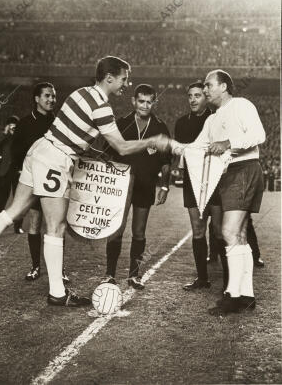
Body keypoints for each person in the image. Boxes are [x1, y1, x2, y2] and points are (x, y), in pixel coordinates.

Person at [0, 56, 170, 308]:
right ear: (110, 78)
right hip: (56, 160)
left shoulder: (80, 93)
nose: (127, 83)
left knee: (12, 211)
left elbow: (73, 134)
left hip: (41, 150)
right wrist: (151, 141)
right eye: (124, 79)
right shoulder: (102, 107)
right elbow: (123, 147)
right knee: (56, 227)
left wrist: (95, 154)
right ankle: (58, 294)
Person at [171, 69, 265, 315]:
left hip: (243, 169)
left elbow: (259, 135)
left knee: (228, 232)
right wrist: (170, 145)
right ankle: (246, 295)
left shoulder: (241, 105)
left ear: (224, 86)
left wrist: (228, 143)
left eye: (209, 85)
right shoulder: (212, 120)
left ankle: (232, 296)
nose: (205, 90)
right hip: (229, 174)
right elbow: (197, 148)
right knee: (240, 235)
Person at [102, 84, 171, 289]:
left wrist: (165, 186)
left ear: (154, 103)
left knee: (139, 231)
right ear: (134, 101)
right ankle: (109, 274)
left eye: (149, 101)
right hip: (120, 185)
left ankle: (134, 275)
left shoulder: (160, 127)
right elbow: (107, 154)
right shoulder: (121, 123)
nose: (145, 105)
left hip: (145, 184)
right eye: (141, 101)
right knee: (116, 229)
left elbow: (166, 161)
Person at [12, 82, 70, 282]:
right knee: (35, 224)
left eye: (53, 96)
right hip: (35, 182)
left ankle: (60, 269)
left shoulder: (59, 123)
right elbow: (16, 153)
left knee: (57, 226)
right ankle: (36, 267)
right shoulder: (25, 123)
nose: (51, 100)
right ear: (36, 98)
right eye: (47, 96)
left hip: (56, 183)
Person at [174, 81, 228, 291]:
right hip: (192, 182)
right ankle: (202, 279)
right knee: (198, 230)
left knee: (219, 231)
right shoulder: (181, 123)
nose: (193, 99)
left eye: (198, 95)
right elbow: (181, 153)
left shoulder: (215, 120)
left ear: (206, 97)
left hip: (214, 181)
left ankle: (229, 283)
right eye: (190, 96)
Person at [0, 116, 24, 234]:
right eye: (10, 125)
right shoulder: (4, 137)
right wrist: (4, 133)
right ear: (7, 126)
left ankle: (18, 226)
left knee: (19, 200)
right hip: (5, 172)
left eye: (15, 125)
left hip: (18, 172)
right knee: (0, 200)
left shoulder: (21, 138)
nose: (13, 127)